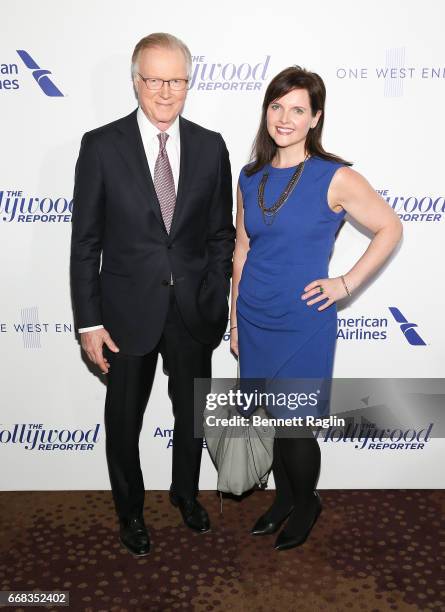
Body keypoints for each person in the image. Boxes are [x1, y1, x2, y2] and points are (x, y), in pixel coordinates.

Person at [70, 33, 235, 557]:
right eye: (155, 80)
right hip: (124, 314)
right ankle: (130, 512)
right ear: (136, 81)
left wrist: (215, 294)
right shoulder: (101, 145)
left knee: (192, 414)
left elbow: (220, 234)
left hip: (192, 311)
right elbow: (86, 242)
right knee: (124, 422)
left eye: (177, 80)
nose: (166, 92)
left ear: (190, 82)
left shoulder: (211, 145)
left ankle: (185, 494)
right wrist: (88, 321)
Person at [230, 66, 402, 551]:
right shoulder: (249, 176)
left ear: (315, 118)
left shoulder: (336, 176)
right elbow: (242, 248)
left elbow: (390, 228)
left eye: (298, 109)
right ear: (267, 110)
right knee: (272, 419)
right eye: (277, 106)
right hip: (255, 314)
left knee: (296, 426)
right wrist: (234, 320)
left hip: (304, 320)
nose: (285, 117)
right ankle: (284, 499)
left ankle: (307, 504)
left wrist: (346, 283)